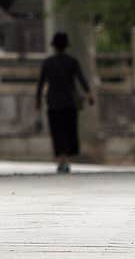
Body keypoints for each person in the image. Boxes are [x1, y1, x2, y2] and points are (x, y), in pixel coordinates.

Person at [36, 32, 94, 173]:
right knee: (69, 132)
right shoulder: (72, 61)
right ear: (66, 46)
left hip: (53, 102)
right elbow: (81, 79)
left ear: (54, 46)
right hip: (69, 102)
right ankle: (65, 160)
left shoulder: (48, 63)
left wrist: (37, 100)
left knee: (57, 132)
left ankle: (61, 160)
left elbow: (41, 83)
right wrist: (89, 94)